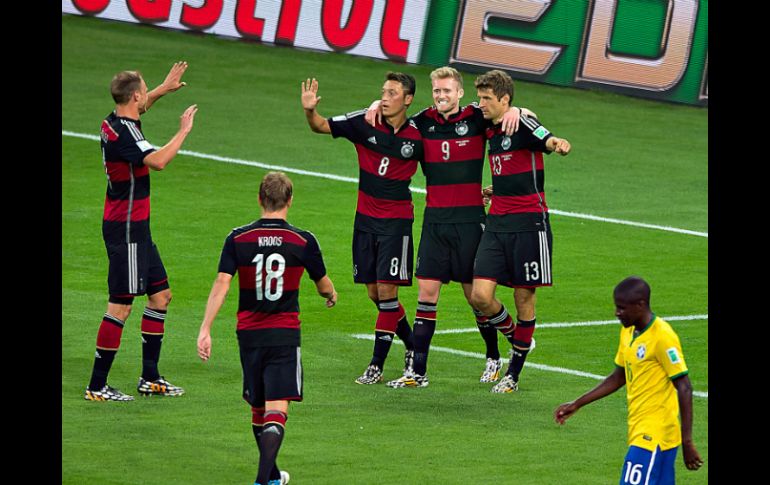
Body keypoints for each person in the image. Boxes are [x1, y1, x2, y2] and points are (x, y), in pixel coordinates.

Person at [365, 67, 535, 388]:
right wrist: (377, 104)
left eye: (447, 91)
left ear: (459, 93)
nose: (442, 96)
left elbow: (513, 113)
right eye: (437, 91)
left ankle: (493, 356)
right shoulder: (421, 122)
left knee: (476, 298)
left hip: (470, 222)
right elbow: (393, 119)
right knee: (426, 297)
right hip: (435, 222)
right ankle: (418, 372)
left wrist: (516, 109)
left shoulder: (476, 117)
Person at [197, 172, 337, 485]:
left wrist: (205, 328)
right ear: (290, 200)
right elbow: (323, 283)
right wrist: (330, 294)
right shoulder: (303, 241)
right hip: (284, 333)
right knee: (277, 411)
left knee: (258, 409)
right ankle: (263, 481)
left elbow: (222, 282)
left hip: (248, 334)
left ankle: (272, 476)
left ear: (260, 199)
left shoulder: (238, 238)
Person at [85, 62, 197, 401]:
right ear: (134, 95)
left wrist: (163, 87)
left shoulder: (113, 121)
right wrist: (183, 131)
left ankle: (150, 377)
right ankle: (97, 386)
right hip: (126, 228)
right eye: (145, 89)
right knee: (121, 305)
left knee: (161, 296)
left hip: (135, 226)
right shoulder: (129, 136)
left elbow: (140, 110)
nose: (146, 94)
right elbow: (159, 161)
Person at [301, 73, 423, 385]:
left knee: (387, 291)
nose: (385, 97)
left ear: (407, 99)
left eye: (392, 92)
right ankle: (412, 345)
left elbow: (443, 167)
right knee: (374, 293)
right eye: (383, 91)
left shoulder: (418, 136)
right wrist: (309, 110)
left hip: (396, 223)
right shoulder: (363, 121)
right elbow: (320, 126)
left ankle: (376, 365)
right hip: (365, 221)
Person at [470, 69, 571, 393]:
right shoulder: (490, 126)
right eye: (481, 97)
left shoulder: (522, 123)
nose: (481, 104)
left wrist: (558, 144)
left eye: (487, 98)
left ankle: (513, 374)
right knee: (480, 296)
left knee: (524, 296)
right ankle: (517, 337)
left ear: (504, 99)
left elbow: (546, 137)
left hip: (530, 224)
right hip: (498, 221)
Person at [554, 276, 704, 483]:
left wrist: (687, 442)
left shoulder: (662, 336)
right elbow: (618, 376)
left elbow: (684, 387)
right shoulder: (628, 331)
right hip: (641, 429)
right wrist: (578, 403)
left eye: (622, 308)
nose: (617, 313)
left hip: (653, 435)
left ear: (640, 305)